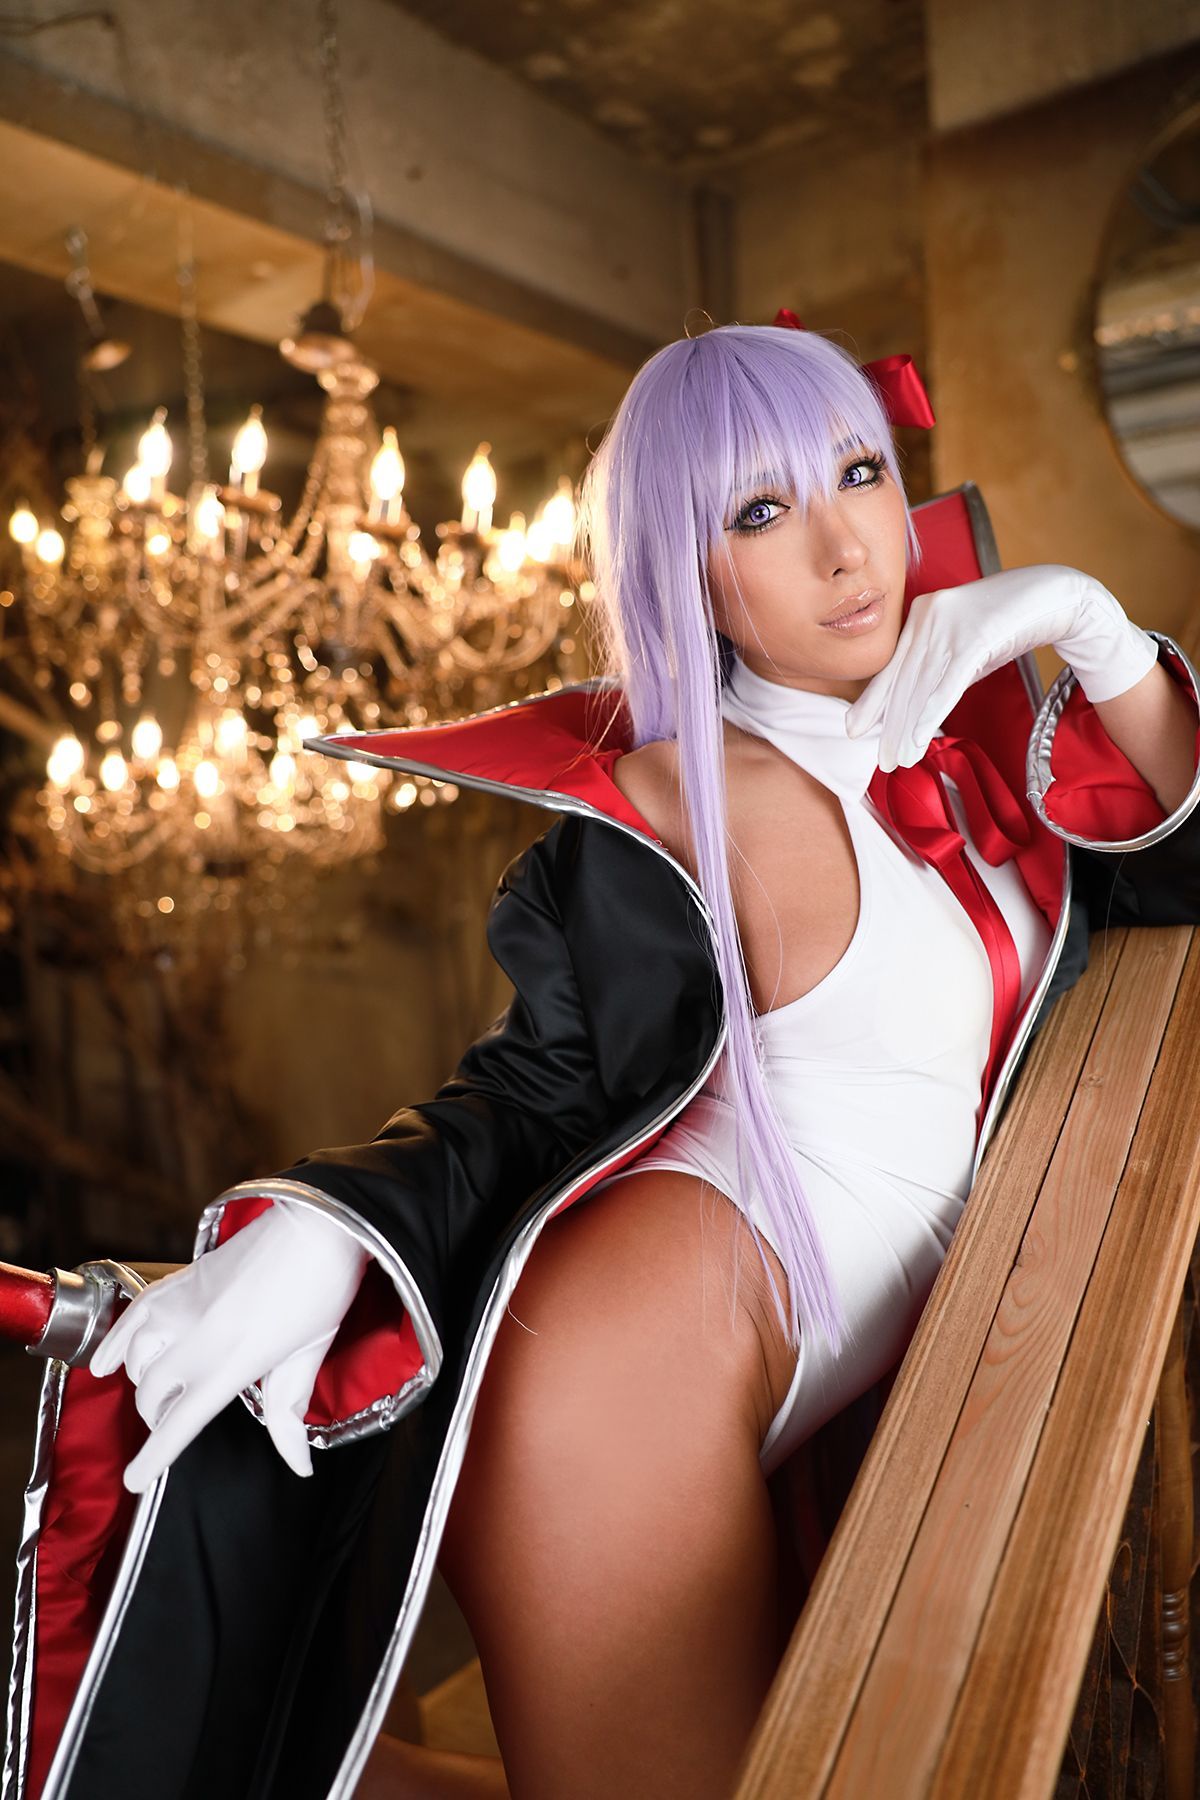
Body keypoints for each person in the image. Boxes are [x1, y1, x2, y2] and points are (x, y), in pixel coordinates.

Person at [27, 318, 1200, 1800]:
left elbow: (1171, 875)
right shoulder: (673, 804)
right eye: (761, 512)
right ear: (688, 568)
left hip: (810, 1336)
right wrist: (328, 1232)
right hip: (616, 1382)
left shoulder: (963, 713)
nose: (846, 547)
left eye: (859, 473)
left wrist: (1088, 624)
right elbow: (526, 1086)